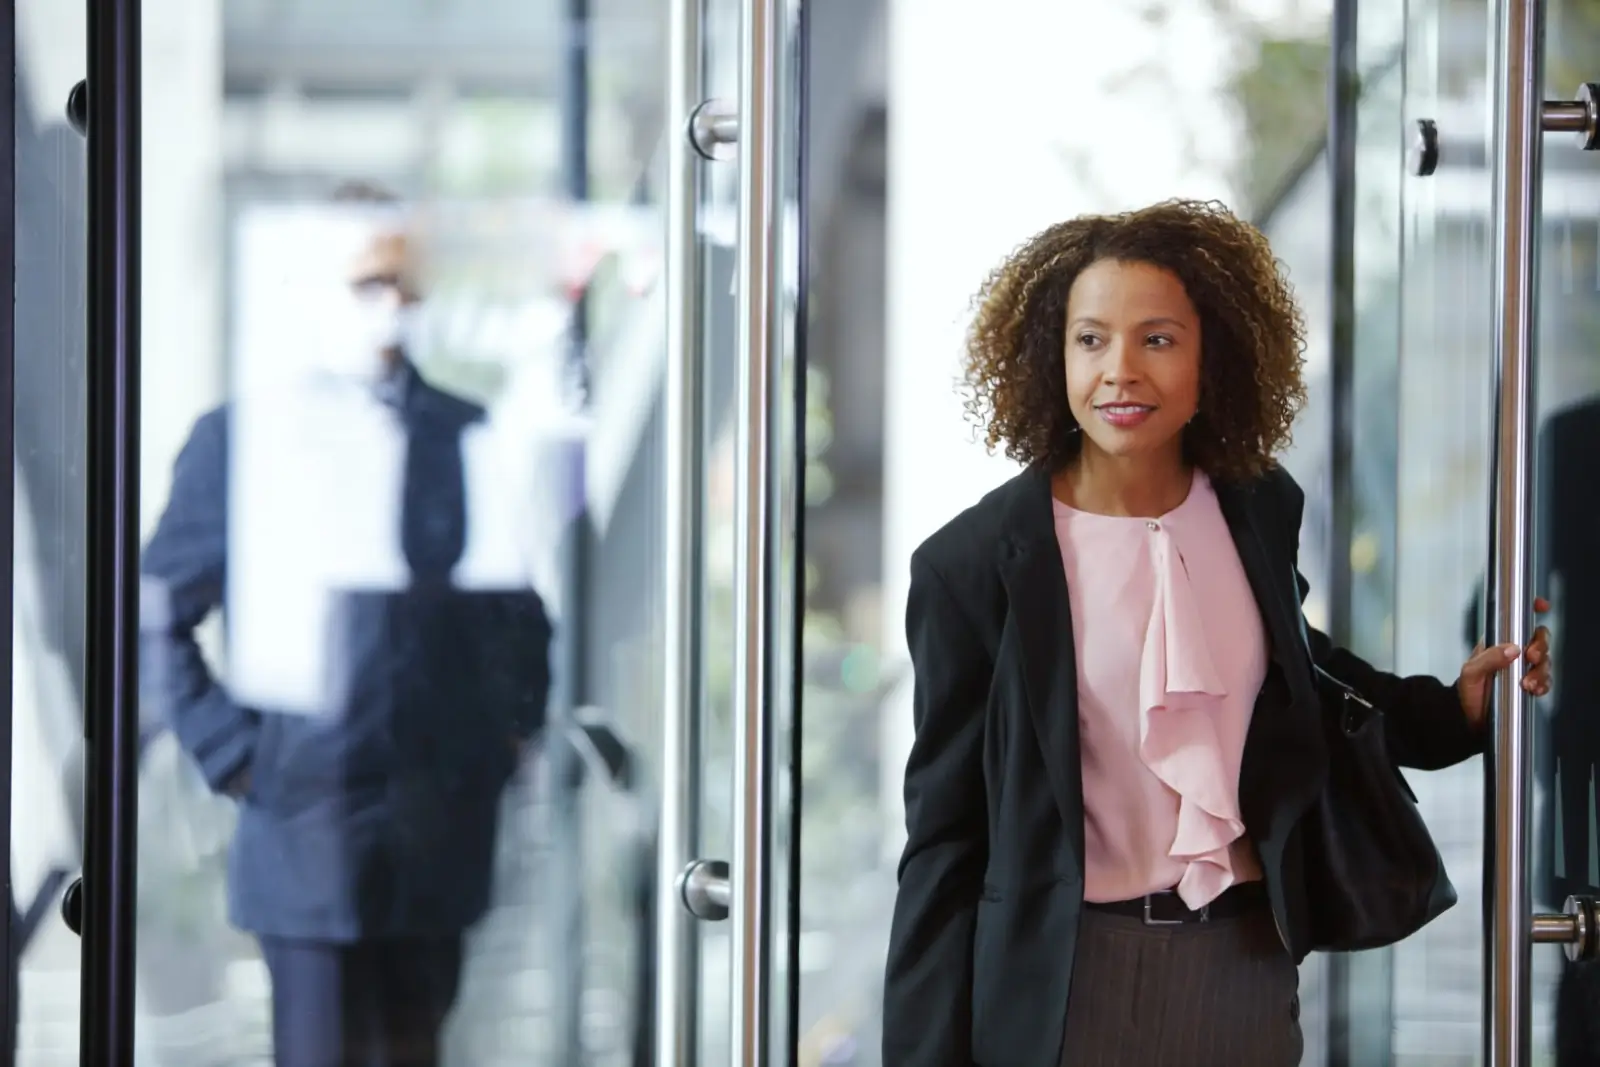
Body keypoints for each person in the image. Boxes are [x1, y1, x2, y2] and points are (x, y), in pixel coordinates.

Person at [880, 199, 1553, 1067]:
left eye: (1157, 339)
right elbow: (944, 838)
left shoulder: (1255, 506)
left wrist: (1452, 709)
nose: (1120, 370)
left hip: (1243, 960)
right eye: (1091, 340)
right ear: (1052, 357)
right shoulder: (970, 566)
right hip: (1062, 982)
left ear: (1212, 360)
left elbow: (1302, 676)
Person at [140, 187, 553, 1066]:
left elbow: (518, 614)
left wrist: (505, 738)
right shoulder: (243, 441)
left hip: (436, 833)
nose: (390, 305)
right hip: (306, 833)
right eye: (367, 282)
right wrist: (239, 754)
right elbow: (155, 614)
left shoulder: (465, 433)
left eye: (402, 283)